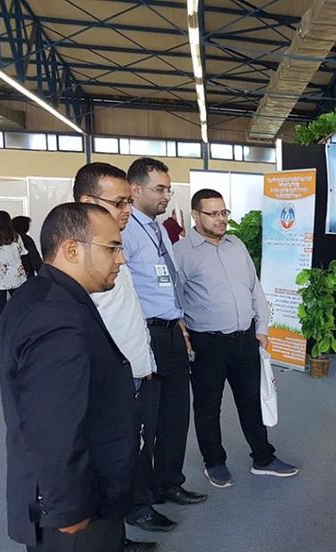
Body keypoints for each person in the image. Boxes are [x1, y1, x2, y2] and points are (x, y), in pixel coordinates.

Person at [0, 203, 137, 552]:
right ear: (72, 249)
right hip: (75, 509)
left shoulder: (46, 296)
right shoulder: (55, 315)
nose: (121, 259)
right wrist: (69, 508)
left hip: (74, 494)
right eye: (112, 248)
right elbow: (52, 423)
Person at [74, 162, 165, 552]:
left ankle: (118, 545)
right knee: (104, 477)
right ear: (86, 202)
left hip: (133, 374)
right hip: (110, 385)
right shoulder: (84, 257)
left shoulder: (112, 244)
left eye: (129, 201)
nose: (128, 209)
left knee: (122, 469)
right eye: (119, 202)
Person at [173, 188, 298, 488]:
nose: (221, 219)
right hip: (207, 343)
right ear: (195, 215)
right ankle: (214, 462)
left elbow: (255, 288)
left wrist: (262, 329)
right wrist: (184, 335)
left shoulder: (237, 245)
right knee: (208, 406)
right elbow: (174, 301)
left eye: (224, 212)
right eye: (213, 213)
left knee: (251, 401)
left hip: (245, 340)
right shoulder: (181, 253)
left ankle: (263, 458)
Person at [123, 157, 206, 529]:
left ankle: (168, 483)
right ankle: (139, 504)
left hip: (172, 331)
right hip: (145, 334)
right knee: (146, 422)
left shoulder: (159, 229)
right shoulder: (125, 231)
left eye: (168, 189)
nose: (166, 195)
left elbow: (167, 284)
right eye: (159, 189)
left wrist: (182, 327)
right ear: (135, 189)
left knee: (175, 415)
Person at [0, 210, 28, 322]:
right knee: (19, 305)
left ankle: (2, 329)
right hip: (16, 276)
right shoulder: (16, 237)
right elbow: (23, 253)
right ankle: (18, 327)